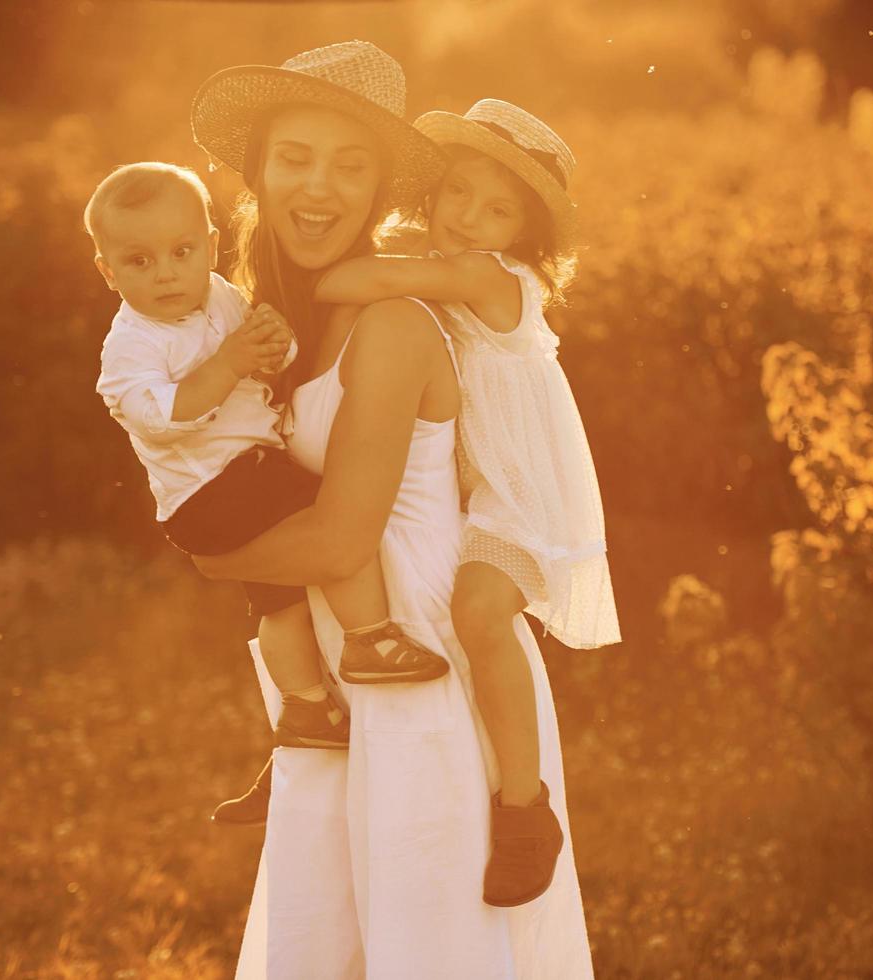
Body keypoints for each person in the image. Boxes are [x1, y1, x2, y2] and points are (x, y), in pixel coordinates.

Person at [188, 40, 594, 977]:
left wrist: (209, 553)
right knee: (322, 943)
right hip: (340, 687)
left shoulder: (396, 322)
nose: (319, 187)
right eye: (295, 158)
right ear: (257, 173)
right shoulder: (271, 325)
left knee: (425, 947)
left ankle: (522, 808)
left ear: (380, 192)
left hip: (425, 675)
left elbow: (338, 540)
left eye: (351, 164)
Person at [312, 98, 620, 906]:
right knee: (463, 609)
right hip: (483, 485)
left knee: (481, 613)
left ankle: (524, 807)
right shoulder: (448, 261)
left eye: (498, 210)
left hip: (526, 497)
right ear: (433, 192)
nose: (471, 219)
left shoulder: (488, 274)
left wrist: (316, 270)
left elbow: (362, 276)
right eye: (458, 194)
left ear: (523, 235)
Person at [86, 162, 450, 786]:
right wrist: (228, 366)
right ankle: (369, 638)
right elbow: (156, 417)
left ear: (212, 243)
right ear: (107, 270)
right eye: (140, 261)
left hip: (238, 477)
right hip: (212, 489)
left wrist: (272, 342)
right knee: (322, 504)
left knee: (280, 603)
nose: (167, 272)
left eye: (182, 250)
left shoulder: (223, 296)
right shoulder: (132, 344)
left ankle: (305, 705)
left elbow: (266, 360)